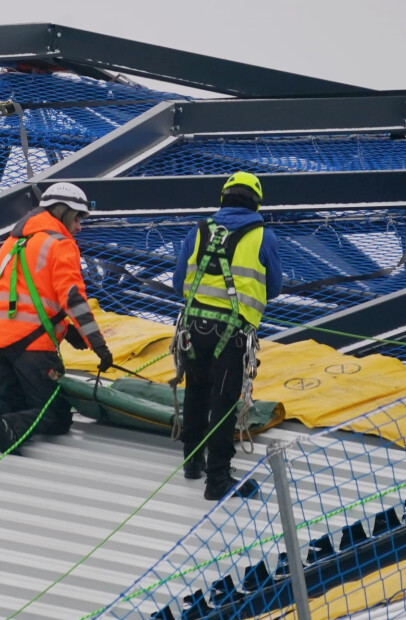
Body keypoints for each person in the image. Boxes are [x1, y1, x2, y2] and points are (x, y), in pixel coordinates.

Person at [0, 182, 114, 454]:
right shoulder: (61, 245)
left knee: (11, 400)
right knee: (55, 415)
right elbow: (74, 299)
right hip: (32, 349)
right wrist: (98, 344)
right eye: (77, 218)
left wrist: (67, 329)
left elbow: (27, 293)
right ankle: (11, 428)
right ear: (62, 212)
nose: (79, 226)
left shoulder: (11, 242)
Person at [172, 171, 283, 501]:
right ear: (256, 202)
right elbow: (273, 288)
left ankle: (193, 463)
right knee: (223, 402)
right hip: (232, 335)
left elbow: (179, 283)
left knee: (196, 391)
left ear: (223, 198)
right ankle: (217, 477)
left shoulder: (199, 230)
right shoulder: (263, 236)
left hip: (194, 328)